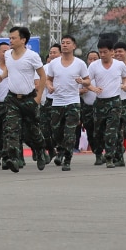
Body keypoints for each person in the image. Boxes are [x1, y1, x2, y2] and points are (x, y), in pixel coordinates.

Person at [0, 26, 48, 173]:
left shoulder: (32, 56)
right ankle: (14, 159)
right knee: (11, 129)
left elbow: (43, 76)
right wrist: (1, 77)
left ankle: (40, 150)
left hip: (29, 98)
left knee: (33, 130)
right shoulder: (8, 55)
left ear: (23, 40)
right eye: (10, 38)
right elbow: (8, 70)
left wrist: (38, 97)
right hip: (12, 98)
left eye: (13, 38)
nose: (10, 40)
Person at [44, 35, 89, 171]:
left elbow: (88, 81)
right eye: (63, 43)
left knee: (69, 133)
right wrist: (49, 86)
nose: (65, 45)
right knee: (56, 132)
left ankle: (67, 159)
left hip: (73, 102)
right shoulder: (54, 63)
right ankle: (61, 150)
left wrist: (82, 82)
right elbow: (48, 79)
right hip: (57, 102)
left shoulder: (80, 64)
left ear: (74, 46)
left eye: (68, 43)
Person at [85, 38, 126, 167]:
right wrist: (93, 88)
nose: (102, 55)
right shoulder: (94, 66)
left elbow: (125, 77)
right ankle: (99, 154)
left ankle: (110, 157)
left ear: (112, 52)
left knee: (112, 130)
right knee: (98, 131)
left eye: (105, 52)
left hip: (115, 102)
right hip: (100, 103)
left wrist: (125, 85)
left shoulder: (119, 65)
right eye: (101, 52)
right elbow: (87, 81)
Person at [77, 50, 103, 164]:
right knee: (91, 131)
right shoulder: (83, 75)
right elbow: (74, 90)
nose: (92, 61)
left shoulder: (103, 72)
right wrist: (83, 90)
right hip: (87, 107)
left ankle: (110, 153)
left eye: (95, 59)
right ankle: (97, 154)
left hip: (102, 106)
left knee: (103, 131)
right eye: (90, 59)